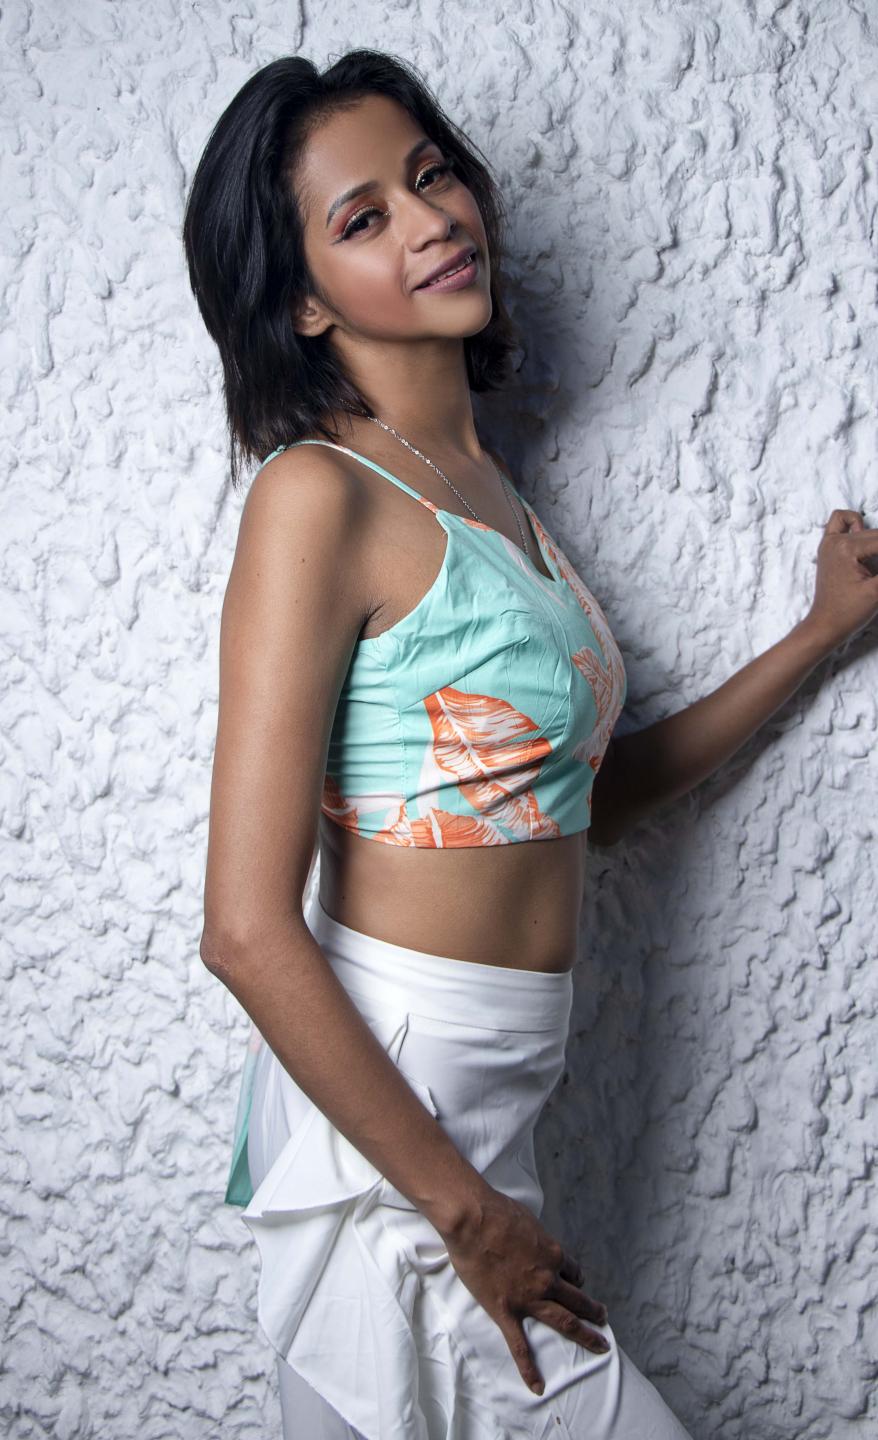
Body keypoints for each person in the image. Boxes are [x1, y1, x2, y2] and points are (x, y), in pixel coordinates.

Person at [181, 48, 878, 1440]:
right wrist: (463, 1213)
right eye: (363, 216)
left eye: (430, 174)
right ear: (304, 299)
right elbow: (245, 930)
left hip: (490, 1105)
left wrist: (815, 636)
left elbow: (583, 802)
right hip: (405, 1107)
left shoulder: (490, 494)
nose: (430, 218)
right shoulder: (318, 495)